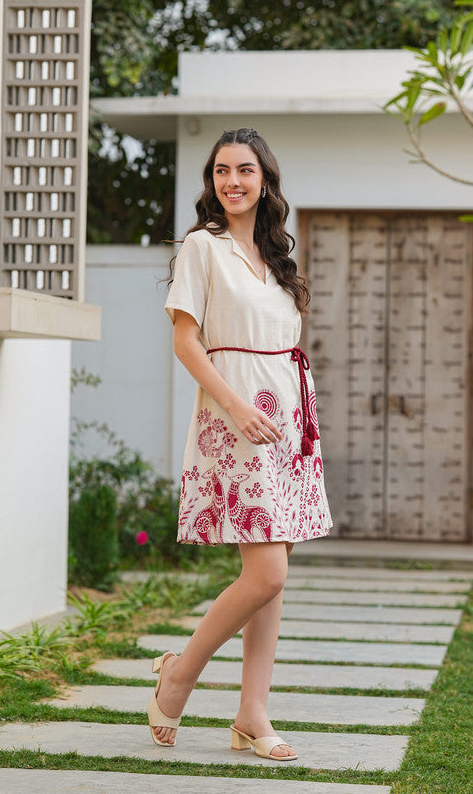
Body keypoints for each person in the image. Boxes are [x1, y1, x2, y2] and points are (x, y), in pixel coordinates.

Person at [148, 127, 333, 760]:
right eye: (222, 170)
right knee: (266, 571)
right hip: (236, 418)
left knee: (271, 575)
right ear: (212, 180)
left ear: (265, 180)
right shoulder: (203, 247)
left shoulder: (279, 253)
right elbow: (186, 342)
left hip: (284, 424)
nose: (232, 181)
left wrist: (287, 416)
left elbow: (284, 349)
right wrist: (235, 405)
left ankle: (253, 712)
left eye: (245, 170)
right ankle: (180, 673)